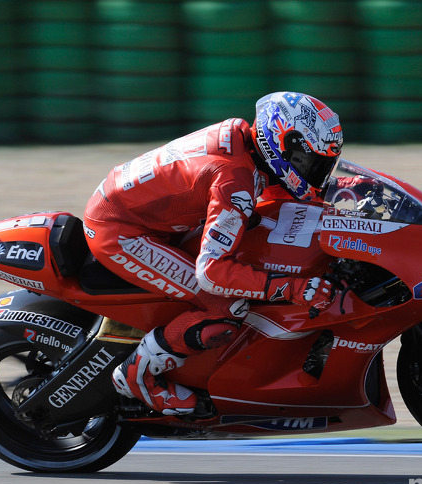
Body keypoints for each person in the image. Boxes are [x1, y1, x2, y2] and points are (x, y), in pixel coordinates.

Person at [83, 91, 343, 416]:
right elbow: (212, 273)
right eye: (312, 162)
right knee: (227, 307)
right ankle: (138, 377)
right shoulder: (234, 181)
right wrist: (294, 288)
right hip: (121, 232)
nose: (316, 171)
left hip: (144, 215)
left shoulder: (242, 138)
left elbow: (277, 187)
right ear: (283, 142)